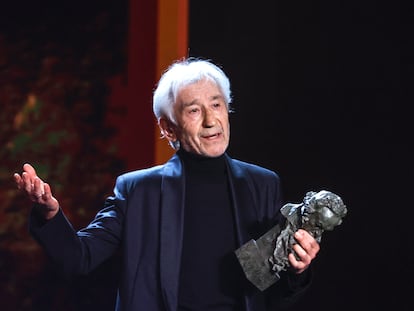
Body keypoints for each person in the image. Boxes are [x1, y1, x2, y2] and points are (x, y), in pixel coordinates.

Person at [14, 57, 321, 311]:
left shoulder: (262, 184)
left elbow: (275, 294)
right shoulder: (138, 191)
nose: (211, 121)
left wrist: (298, 268)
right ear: (169, 128)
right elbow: (79, 258)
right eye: (194, 110)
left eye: (216, 105)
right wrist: (49, 214)